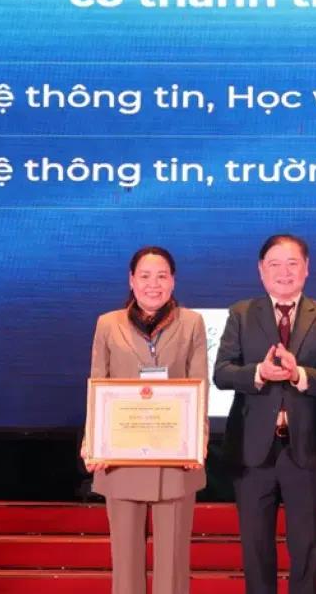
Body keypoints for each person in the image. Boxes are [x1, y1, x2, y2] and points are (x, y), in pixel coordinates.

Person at [213, 234, 316, 594]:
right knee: (256, 548)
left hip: (307, 449)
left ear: (307, 268)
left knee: (308, 548)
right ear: (261, 270)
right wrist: (259, 372)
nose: (284, 272)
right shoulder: (241, 314)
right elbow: (222, 373)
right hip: (252, 451)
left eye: (292, 263)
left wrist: (299, 374)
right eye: (274, 264)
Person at [82, 246, 208, 594]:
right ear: (131, 280)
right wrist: (92, 440)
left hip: (175, 459)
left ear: (173, 281)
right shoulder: (108, 324)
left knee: (173, 567)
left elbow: (200, 385)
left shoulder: (192, 323)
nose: (154, 284)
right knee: (125, 565)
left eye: (162, 276)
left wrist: (198, 442)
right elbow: (98, 384)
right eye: (145, 276)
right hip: (121, 457)